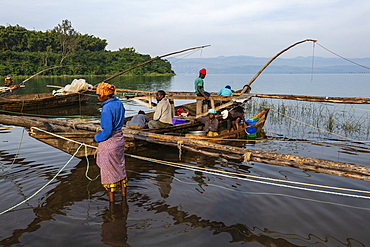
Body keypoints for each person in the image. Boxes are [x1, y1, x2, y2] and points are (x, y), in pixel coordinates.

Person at [94, 82, 127, 203]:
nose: (98, 98)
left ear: (106, 95)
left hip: (110, 142)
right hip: (119, 138)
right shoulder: (119, 103)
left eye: (99, 95)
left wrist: (96, 137)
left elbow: (107, 132)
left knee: (109, 172)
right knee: (120, 167)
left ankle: (112, 204)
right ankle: (124, 196)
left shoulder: (107, 108)